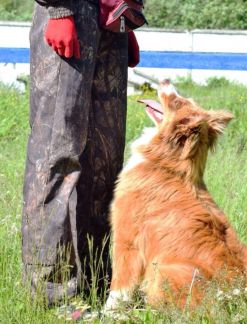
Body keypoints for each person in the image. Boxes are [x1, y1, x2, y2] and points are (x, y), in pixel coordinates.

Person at [22, 0, 138, 304]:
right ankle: (53, 294)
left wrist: (127, 15)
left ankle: (95, 284)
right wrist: (59, 9)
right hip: (72, 10)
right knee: (57, 155)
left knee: (105, 159)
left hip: (112, 21)